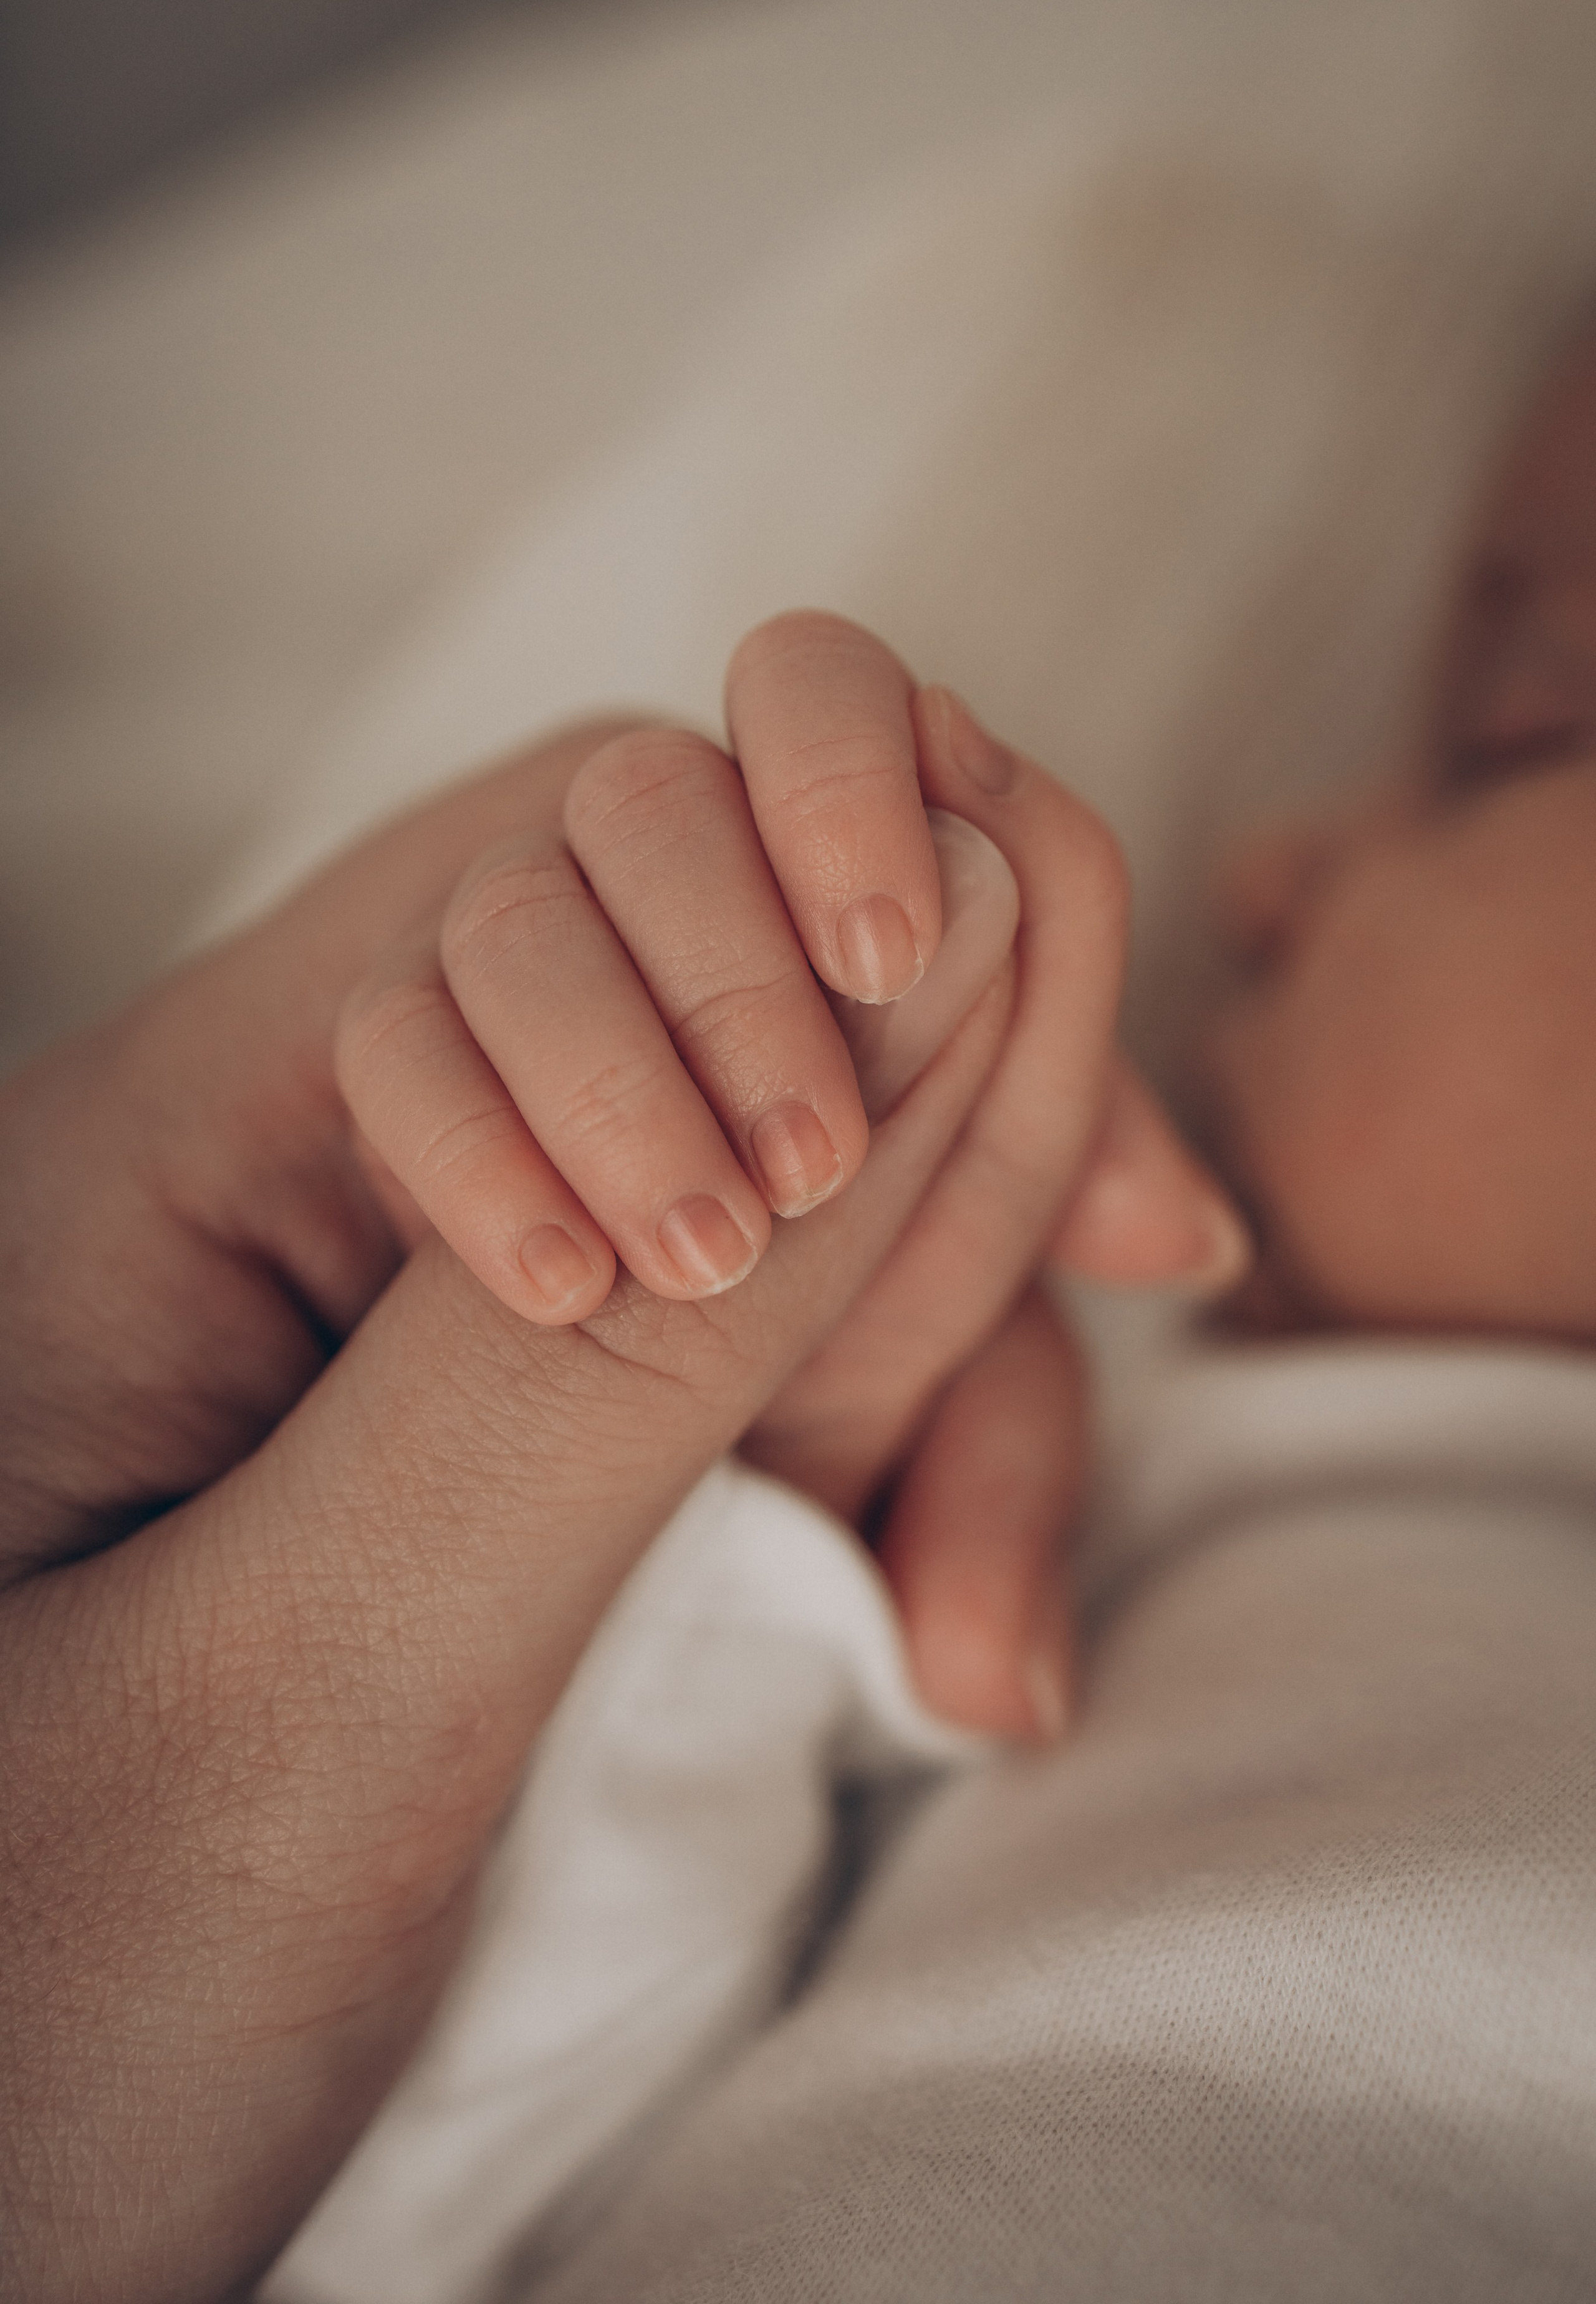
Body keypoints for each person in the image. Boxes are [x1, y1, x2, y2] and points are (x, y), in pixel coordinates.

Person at [4, 310, 1596, 2302]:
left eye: (1528, 731)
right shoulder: (1032, 1450)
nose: (1274, 865)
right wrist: (724, 1530)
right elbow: (405, 2201)